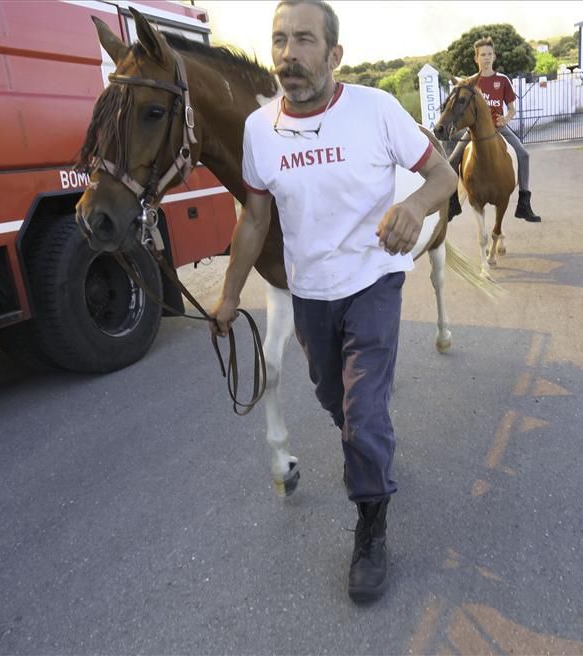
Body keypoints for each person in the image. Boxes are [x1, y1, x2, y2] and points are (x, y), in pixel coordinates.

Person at [210, 0, 457, 603]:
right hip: (311, 296)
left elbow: (443, 177)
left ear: (334, 54)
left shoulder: (376, 111)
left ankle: (371, 525)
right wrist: (230, 292)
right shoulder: (258, 129)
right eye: (278, 41)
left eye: (303, 40)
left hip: (373, 284)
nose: (288, 54)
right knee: (335, 400)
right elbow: (255, 217)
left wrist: (415, 207)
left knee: (365, 413)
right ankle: (368, 448)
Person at [447, 36, 542, 223]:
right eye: (482, 54)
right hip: (474, 131)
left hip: (498, 128)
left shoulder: (503, 80)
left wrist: (506, 118)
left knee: (523, 154)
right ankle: (453, 203)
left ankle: (524, 204)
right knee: (452, 160)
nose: (486, 57)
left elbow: (512, 108)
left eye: (490, 54)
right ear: (476, 58)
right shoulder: (470, 83)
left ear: (494, 56)